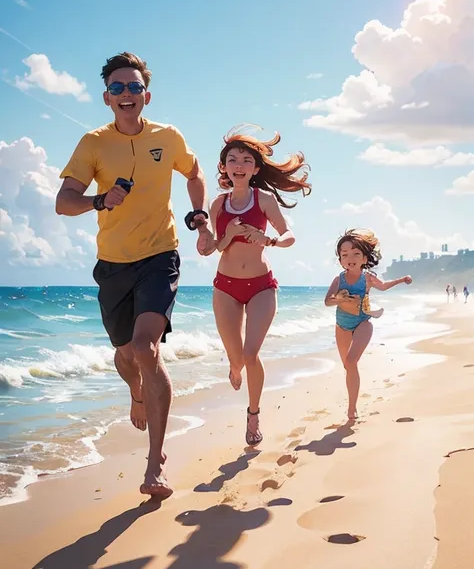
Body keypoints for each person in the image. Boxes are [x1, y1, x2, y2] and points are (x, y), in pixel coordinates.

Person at [56, 52, 214, 500]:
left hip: (160, 255)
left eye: (134, 87)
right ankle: (135, 391)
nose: (127, 94)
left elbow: (195, 172)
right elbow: (63, 201)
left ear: (147, 94)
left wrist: (200, 217)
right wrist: (100, 201)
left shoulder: (168, 136)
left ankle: (154, 464)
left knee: (147, 347)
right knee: (127, 357)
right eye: (118, 88)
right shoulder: (93, 143)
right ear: (107, 98)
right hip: (113, 264)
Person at [206, 128, 311, 446]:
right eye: (232, 160)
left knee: (252, 355)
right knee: (236, 357)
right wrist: (229, 233)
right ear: (224, 167)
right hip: (225, 287)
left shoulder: (263, 199)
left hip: (261, 286)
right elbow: (216, 246)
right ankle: (233, 365)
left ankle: (253, 417)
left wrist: (269, 239)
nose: (239, 164)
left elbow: (289, 234)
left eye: (246, 160)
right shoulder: (217, 205)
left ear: (254, 168)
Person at [325, 229, 412, 421]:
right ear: (340, 260)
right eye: (345, 254)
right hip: (342, 325)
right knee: (348, 367)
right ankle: (352, 403)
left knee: (351, 361)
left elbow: (383, 286)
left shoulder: (368, 278)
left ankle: (352, 408)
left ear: (365, 258)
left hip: (363, 322)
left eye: (356, 253)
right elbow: (327, 301)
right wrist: (339, 298)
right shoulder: (338, 280)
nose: (350, 258)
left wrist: (401, 279)